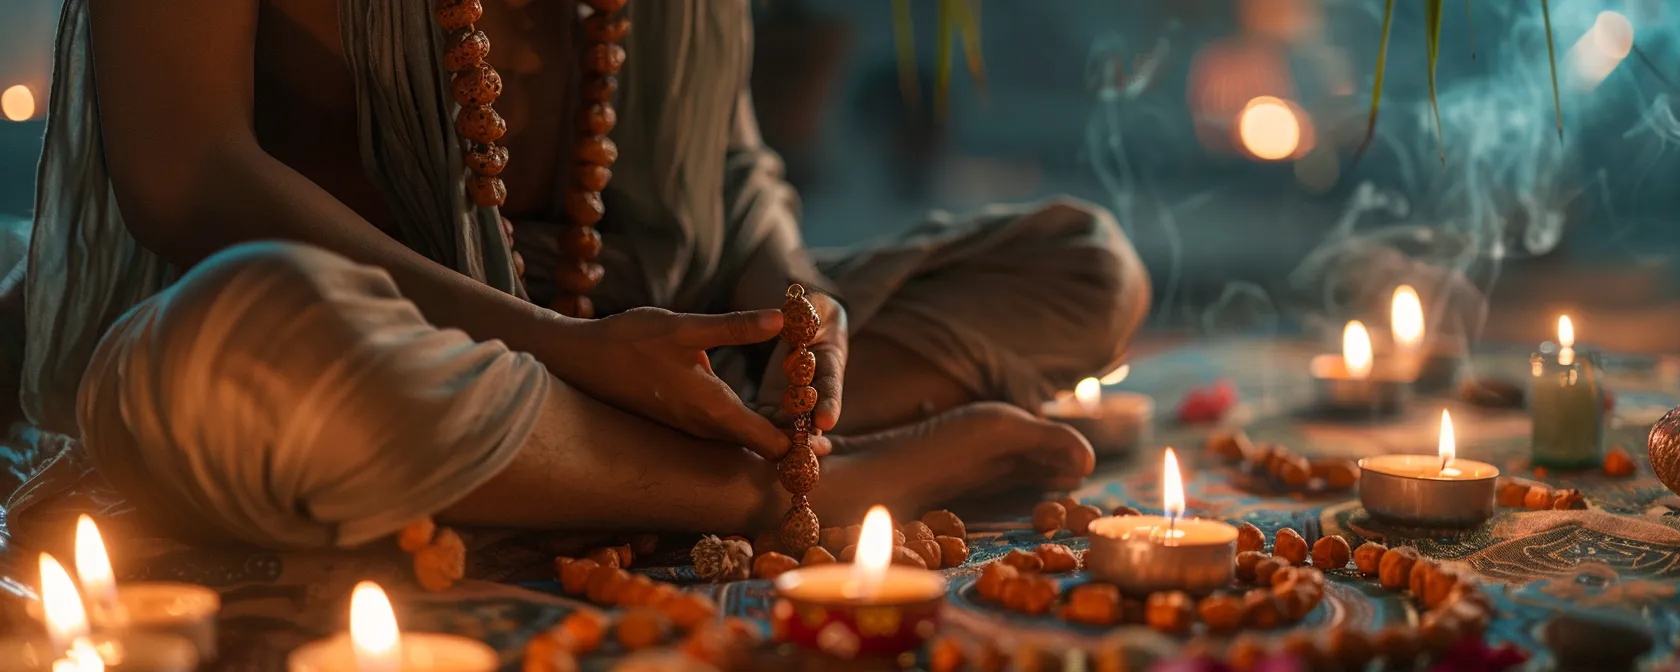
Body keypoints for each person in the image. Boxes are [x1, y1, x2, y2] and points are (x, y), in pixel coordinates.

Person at [6, 0, 1149, 550]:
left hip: (637, 317)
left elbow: (728, 151)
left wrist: (798, 305)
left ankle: (633, 450)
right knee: (236, 348)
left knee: (1084, 267)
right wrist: (562, 351)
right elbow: (184, 174)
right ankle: (785, 489)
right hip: (380, 331)